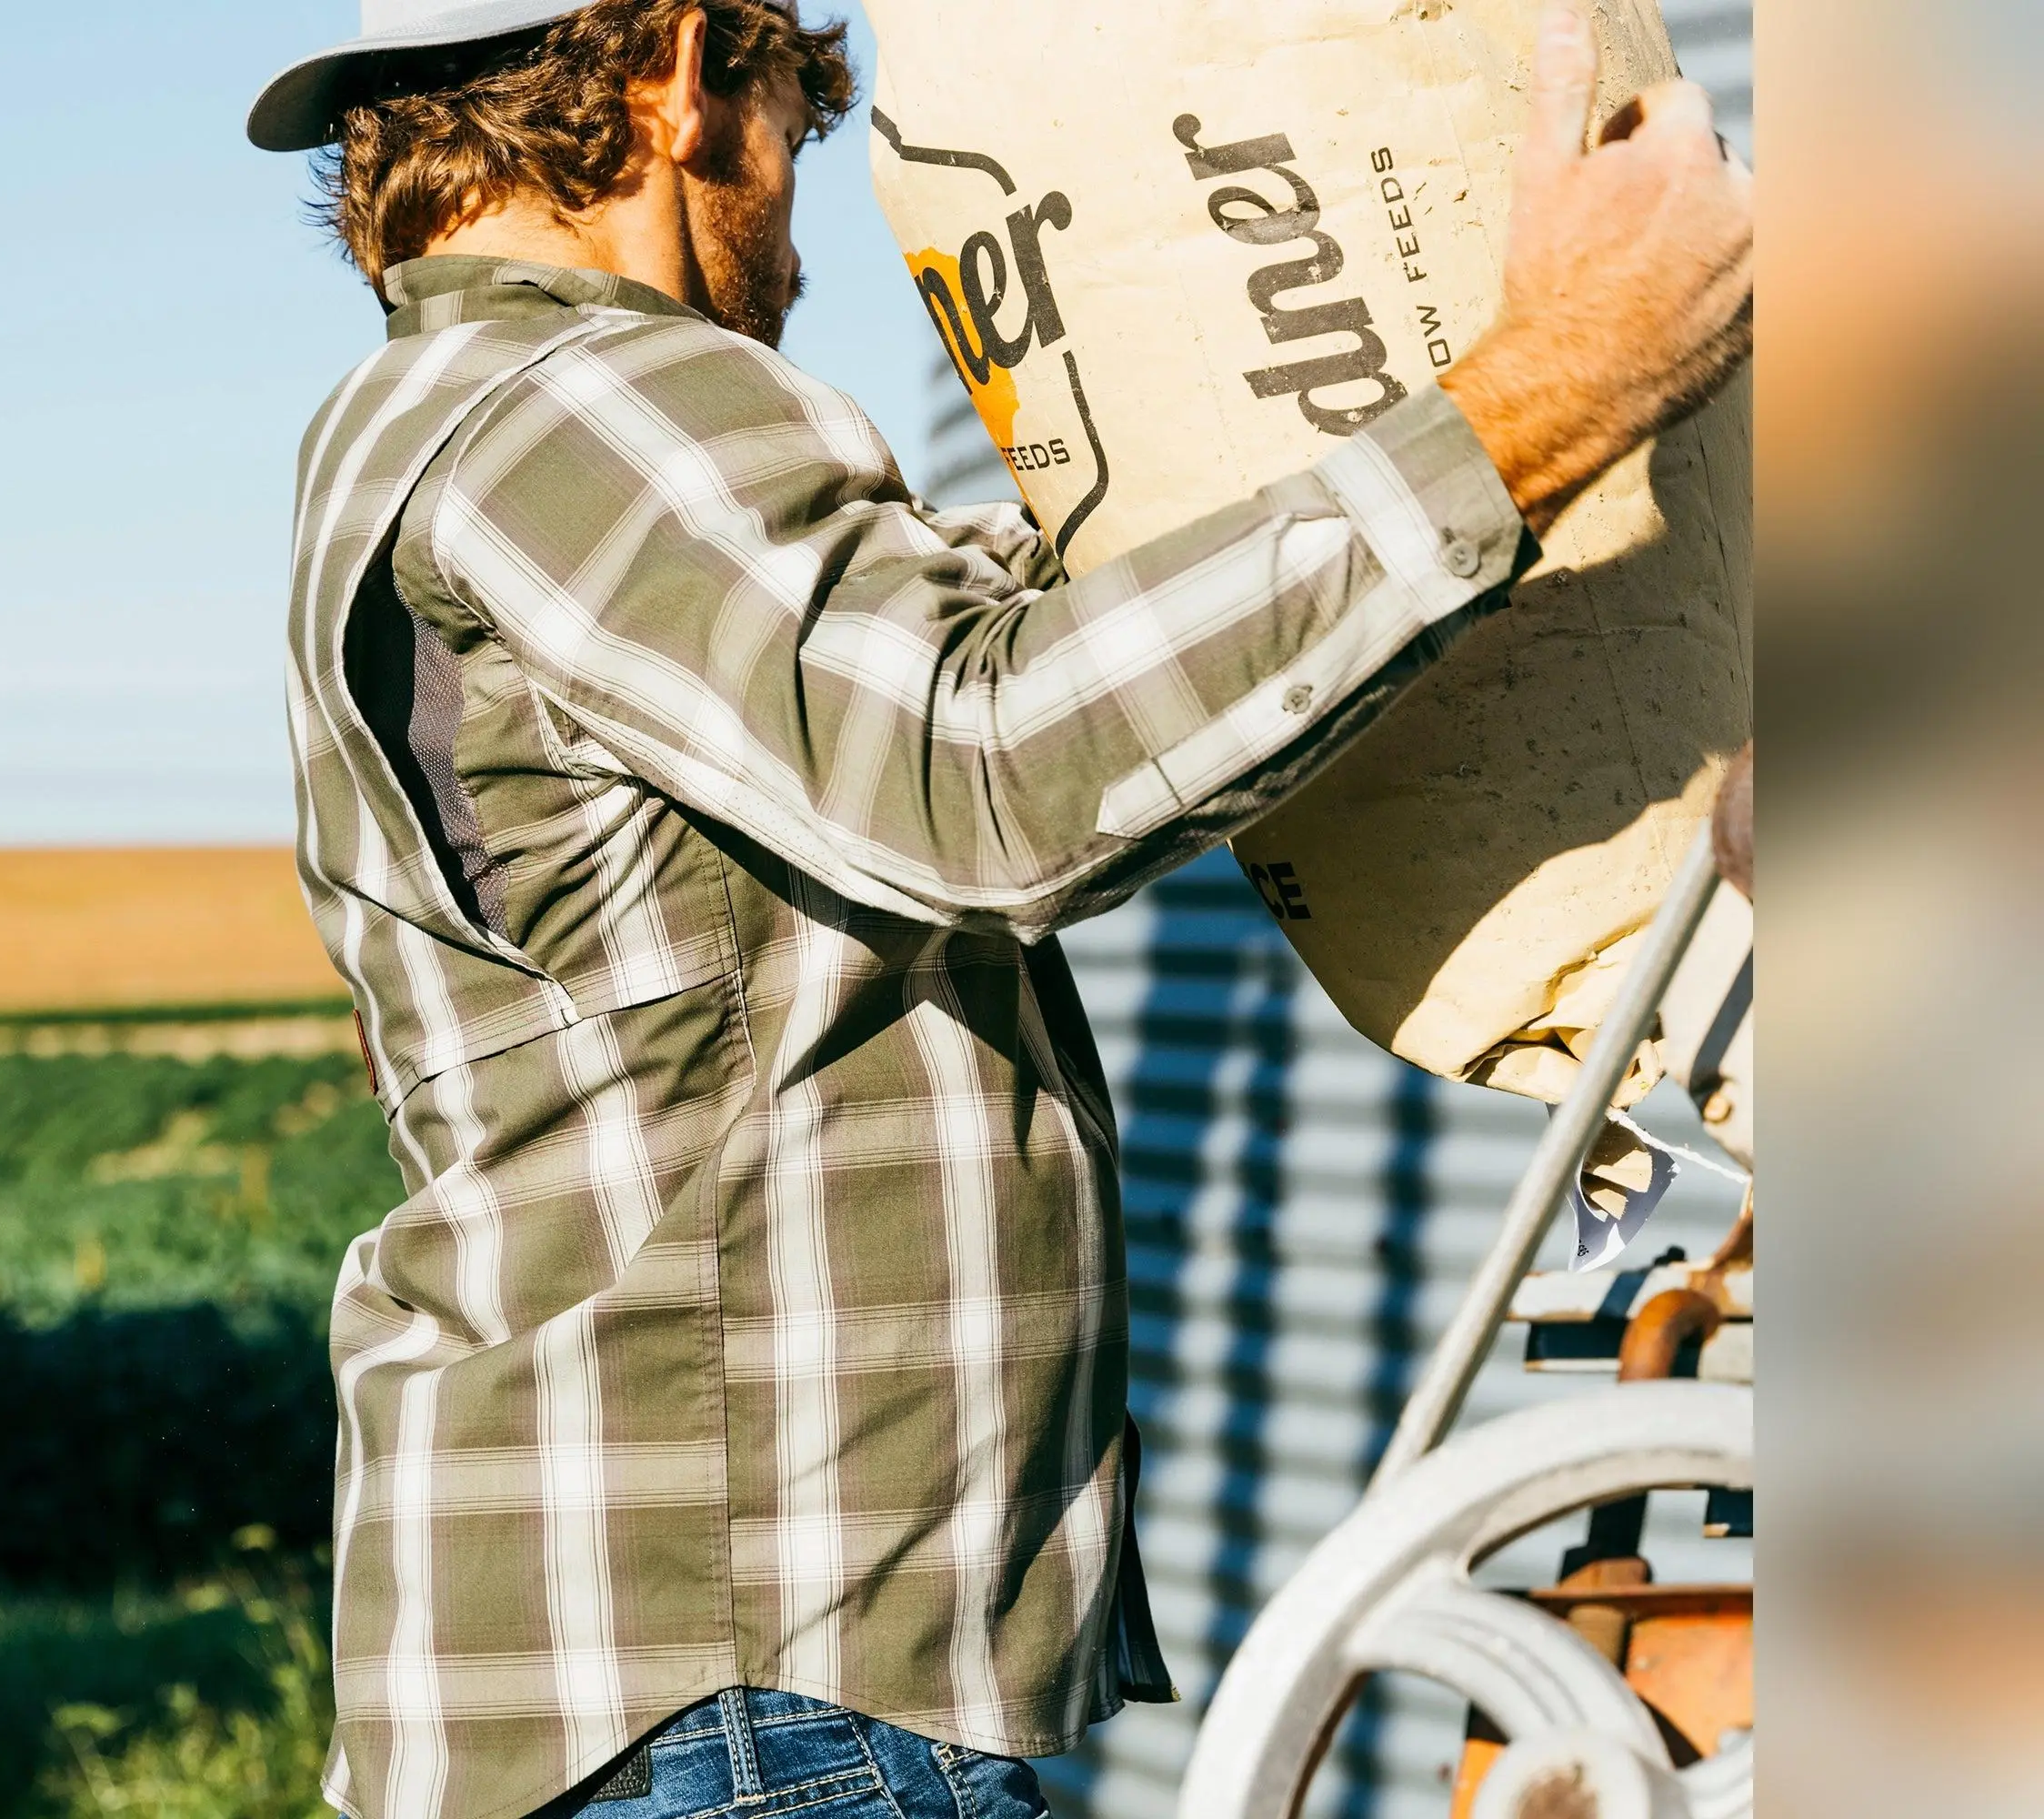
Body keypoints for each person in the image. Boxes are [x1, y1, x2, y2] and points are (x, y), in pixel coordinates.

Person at [245, 2, 1752, 1815]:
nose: (798, 231)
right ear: (680, 71)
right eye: (792, 122)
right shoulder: (587, 407)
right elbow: (986, 765)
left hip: (655, 1674)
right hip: (748, 1692)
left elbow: (994, 659)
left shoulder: (417, 430)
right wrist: (1548, 394)